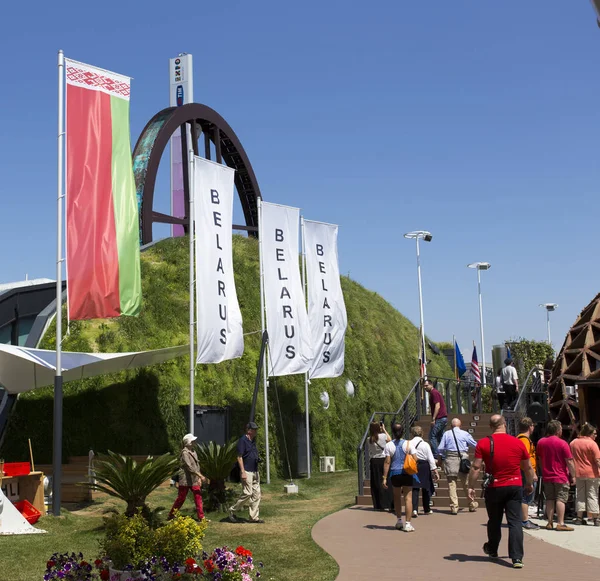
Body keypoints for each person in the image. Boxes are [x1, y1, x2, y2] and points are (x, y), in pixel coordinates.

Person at [468, 414, 534, 569]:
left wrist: (471, 486)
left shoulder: (484, 443)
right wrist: (529, 483)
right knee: (515, 522)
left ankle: (492, 549)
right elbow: (527, 467)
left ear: (491, 426)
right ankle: (517, 557)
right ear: (505, 424)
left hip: (494, 487)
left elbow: (476, 467)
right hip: (514, 485)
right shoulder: (518, 443)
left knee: (494, 520)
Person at [536, 420, 575, 531]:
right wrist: (574, 475)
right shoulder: (562, 443)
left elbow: (540, 459)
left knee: (549, 499)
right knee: (561, 499)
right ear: (558, 430)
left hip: (547, 475)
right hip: (561, 476)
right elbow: (569, 461)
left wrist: (542, 471)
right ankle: (560, 523)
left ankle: (549, 522)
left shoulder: (541, 442)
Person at [382, 423, 418, 532]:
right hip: (407, 473)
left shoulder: (389, 445)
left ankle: (398, 521)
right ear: (403, 432)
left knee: (397, 497)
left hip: (394, 474)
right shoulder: (408, 444)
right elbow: (416, 458)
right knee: (408, 498)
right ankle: (408, 524)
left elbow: (387, 462)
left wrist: (384, 477)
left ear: (392, 432)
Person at [438, 418, 478, 515]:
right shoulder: (465, 434)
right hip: (463, 458)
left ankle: (454, 507)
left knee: (452, 484)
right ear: (460, 425)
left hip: (450, 458)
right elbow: (475, 445)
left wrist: (440, 459)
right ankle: (471, 503)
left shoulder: (447, 434)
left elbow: (440, 448)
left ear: (451, 426)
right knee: (466, 483)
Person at [228, 422, 263, 523]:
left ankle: (254, 517)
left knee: (256, 495)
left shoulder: (252, 441)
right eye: (254, 429)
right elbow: (239, 457)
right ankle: (232, 510)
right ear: (249, 430)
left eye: (256, 429)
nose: (256, 431)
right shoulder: (242, 441)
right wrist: (242, 471)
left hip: (255, 471)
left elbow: (251, 454)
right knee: (248, 493)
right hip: (247, 471)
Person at [169, 433, 207, 521]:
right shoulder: (184, 453)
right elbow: (189, 467)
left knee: (198, 496)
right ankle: (171, 514)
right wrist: (200, 476)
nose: (195, 442)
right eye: (193, 441)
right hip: (185, 479)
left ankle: (201, 517)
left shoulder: (194, 451)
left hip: (194, 479)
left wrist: (198, 478)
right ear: (188, 442)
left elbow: (197, 466)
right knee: (181, 498)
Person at [569, 422, 600, 526]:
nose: (596, 436)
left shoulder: (573, 443)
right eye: (594, 434)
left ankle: (579, 517)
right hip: (592, 473)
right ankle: (596, 519)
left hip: (578, 473)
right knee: (592, 495)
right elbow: (598, 461)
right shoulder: (592, 444)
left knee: (580, 495)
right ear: (588, 433)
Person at [409, 425, 439, 517]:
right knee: (426, 487)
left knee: (415, 487)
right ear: (422, 433)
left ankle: (414, 509)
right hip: (424, 466)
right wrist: (435, 470)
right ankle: (427, 508)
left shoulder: (408, 443)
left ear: (412, 434)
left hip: (413, 465)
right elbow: (430, 458)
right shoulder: (425, 444)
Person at [517, 417, 539, 530]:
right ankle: (524, 521)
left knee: (525, 496)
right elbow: (525, 459)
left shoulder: (520, 439)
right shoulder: (524, 440)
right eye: (533, 426)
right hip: (526, 472)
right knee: (526, 496)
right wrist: (532, 474)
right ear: (530, 427)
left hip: (524, 471)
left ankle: (523, 519)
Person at [368, 421, 392, 511]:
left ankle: (378, 504)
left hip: (374, 461)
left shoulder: (369, 439)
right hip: (383, 460)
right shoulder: (383, 436)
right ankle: (387, 503)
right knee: (385, 480)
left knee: (376, 482)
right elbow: (390, 440)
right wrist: (384, 430)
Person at [423, 379, 447, 458]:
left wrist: (433, 418)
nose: (425, 387)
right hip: (442, 418)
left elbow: (438, 405)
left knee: (431, 436)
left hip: (439, 418)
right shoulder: (434, 393)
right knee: (440, 437)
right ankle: (443, 455)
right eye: (424, 386)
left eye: (426, 385)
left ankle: (437, 455)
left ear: (431, 385)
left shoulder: (434, 393)